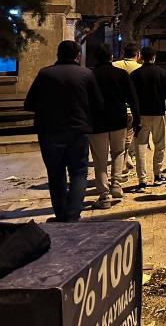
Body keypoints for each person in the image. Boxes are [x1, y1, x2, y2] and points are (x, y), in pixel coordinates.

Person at [24, 40, 104, 222]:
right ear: (78, 55)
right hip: (78, 131)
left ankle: (61, 214)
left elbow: (29, 103)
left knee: (55, 174)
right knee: (78, 172)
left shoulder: (45, 74)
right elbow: (98, 104)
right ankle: (73, 214)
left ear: (58, 54)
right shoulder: (86, 74)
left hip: (50, 133)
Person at [89, 44, 140, 209]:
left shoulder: (90, 76)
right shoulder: (121, 74)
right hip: (118, 120)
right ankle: (116, 184)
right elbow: (132, 98)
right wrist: (137, 119)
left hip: (96, 123)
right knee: (119, 152)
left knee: (100, 159)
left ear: (95, 58)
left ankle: (104, 196)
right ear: (111, 56)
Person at [130, 46, 166, 193]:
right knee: (159, 144)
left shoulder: (135, 74)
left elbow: (132, 97)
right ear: (154, 57)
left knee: (140, 147)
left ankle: (142, 180)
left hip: (141, 114)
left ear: (141, 57)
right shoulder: (162, 73)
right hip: (158, 112)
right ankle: (157, 174)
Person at [112, 43, 141, 177]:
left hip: (115, 107)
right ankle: (126, 159)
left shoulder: (114, 66)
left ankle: (125, 158)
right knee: (131, 135)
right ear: (137, 55)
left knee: (118, 138)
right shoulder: (139, 68)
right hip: (133, 107)